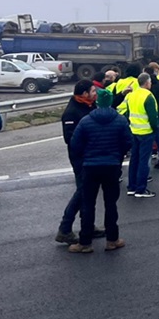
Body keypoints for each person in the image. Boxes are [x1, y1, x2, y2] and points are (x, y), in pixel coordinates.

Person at [67, 89, 131, 253]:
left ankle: (85, 242)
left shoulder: (86, 121)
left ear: (97, 102)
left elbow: (75, 144)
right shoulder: (120, 120)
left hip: (90, 166)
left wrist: (86, 155)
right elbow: (128, 142)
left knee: (88, 204)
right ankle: (112, 240)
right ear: (110, 102)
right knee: (111, 204)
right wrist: (118, 155)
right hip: (111, 166)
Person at [56, 80, 99, 244]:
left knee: (89, 193)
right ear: (84, 94)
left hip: (91, 156)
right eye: (93, 91)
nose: (95, 94)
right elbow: (70, 139)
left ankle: (88, 225)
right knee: (82, 191)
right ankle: (65, 229)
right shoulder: (72, 112)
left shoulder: (90, 106)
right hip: (81, 158)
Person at [123, 73, 159, 199]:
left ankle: (131, 187)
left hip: (134, 131)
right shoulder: (148, 96)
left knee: (134, 160)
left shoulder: (131, 95)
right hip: (146, 132)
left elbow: (128, 113)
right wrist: (156, 129)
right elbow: (153, 117)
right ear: (147, 82)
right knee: (144, 161)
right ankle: (141, 188)